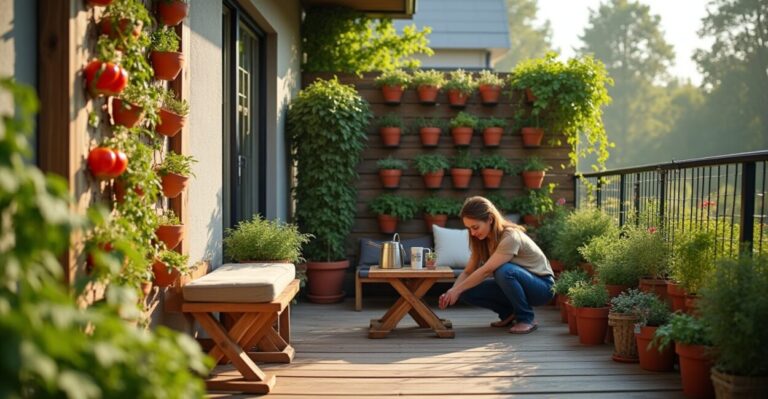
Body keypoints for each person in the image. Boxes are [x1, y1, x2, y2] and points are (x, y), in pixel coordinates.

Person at [438, 196, 554, 334]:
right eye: (469, 229)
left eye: (475, 227)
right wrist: (452, 292)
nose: (472, 233)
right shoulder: (481, 240)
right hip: (518, 284)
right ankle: (508, 313)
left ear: (490, 219)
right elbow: (468, 272)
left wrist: (456, 290)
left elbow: (487, 270)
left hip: (542, 287)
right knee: (464, 290)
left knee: (504, 271)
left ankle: (526, 319)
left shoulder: (510, 236)